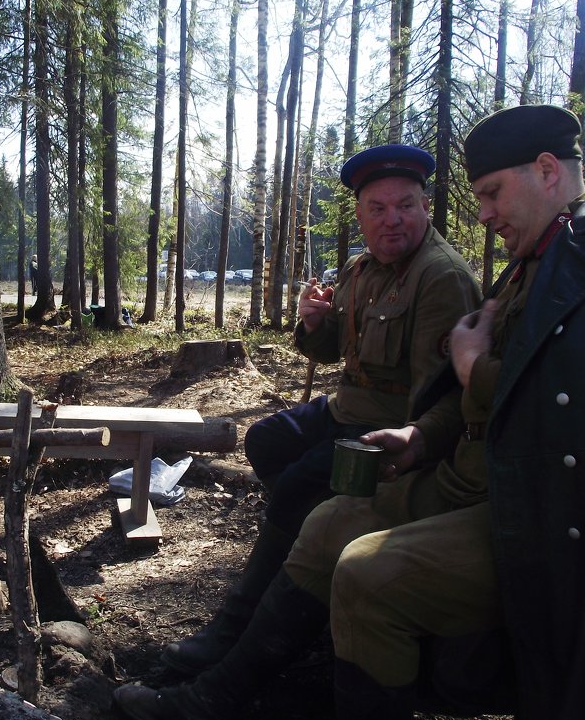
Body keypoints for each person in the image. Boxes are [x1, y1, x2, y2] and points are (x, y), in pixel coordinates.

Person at [116, 105, 585, 720]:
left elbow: (563, 413)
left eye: (489, 193)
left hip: (539, 518)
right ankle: (213, 701)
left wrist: (472, 369)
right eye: (376, 208)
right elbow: (448, 396)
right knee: (327, 516)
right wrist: (422, 438)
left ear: (545, 171)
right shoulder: (535, 262)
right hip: (472, 479)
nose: (481, 213)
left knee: (362, 569)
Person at [161, 144, 480, 676]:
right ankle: (312, 557)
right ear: (360, 216)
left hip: (385, 428)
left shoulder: (440, 277)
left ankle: (237, 627)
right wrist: (312, 322)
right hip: (343, 407)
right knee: (266, 441)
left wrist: (407, 447)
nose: (392, 220)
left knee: (295, 492)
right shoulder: (362, 269)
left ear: (426, 206)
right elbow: (332, 350)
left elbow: (441, 395)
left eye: (405, 205)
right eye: (376, 209)